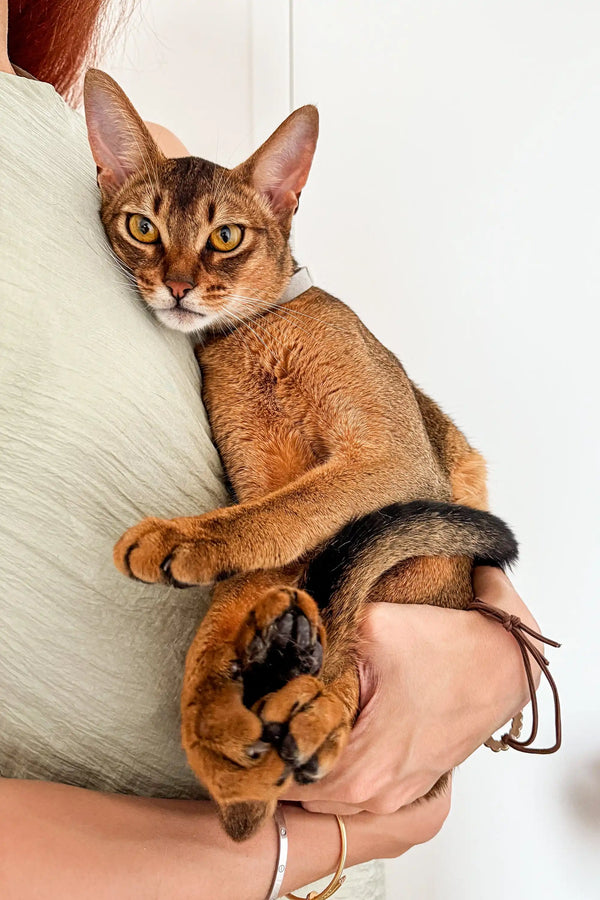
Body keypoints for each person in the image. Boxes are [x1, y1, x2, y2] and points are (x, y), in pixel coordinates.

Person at [0, 2, 543, 897]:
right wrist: (296, 852)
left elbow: (414, 463)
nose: (180, 272)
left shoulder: (147, 173)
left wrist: (500, 649)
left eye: (217, 245)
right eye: (152, 241)